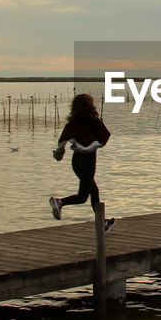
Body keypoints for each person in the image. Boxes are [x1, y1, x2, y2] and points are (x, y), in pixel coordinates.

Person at [50, 93, 115, 232]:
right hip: (89, 161)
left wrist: (59, 153)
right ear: (90, 106)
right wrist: (91, 147)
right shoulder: (95, 122)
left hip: (77, 161)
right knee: (83, 196)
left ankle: (103, 223)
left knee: (94, 192)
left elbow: (62, 142)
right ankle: (60, 202)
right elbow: (105, 137)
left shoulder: (72, 124)